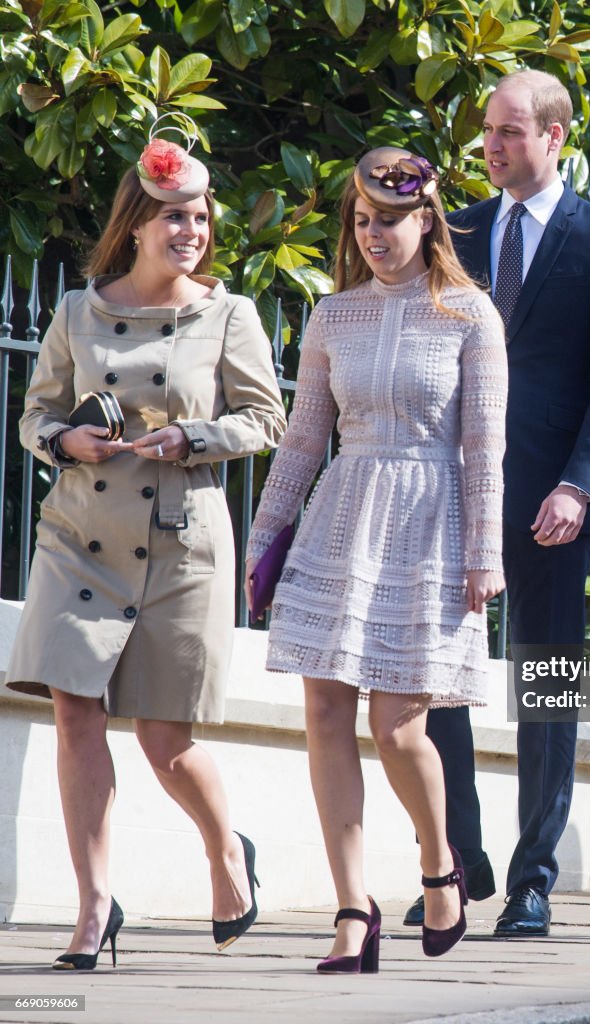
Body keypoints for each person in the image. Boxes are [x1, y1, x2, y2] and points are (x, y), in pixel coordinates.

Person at [5, 122, 287, 969]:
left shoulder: (227, 313)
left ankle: (226, 853)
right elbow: (33, 416)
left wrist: (192, 439)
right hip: (79, 539)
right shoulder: (77, 311)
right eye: (173, 216)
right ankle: (94, 908)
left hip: (180, 542)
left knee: (169, 741)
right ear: (136, 221)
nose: (189, 232)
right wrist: (65, 443)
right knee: (74, 715)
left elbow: (263, 419)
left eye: (199, 218)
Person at [244, 147, 507, 972]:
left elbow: (484, 449)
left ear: (427, 218)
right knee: (324, 713)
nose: (372, 235)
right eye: (361, 222)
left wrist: (485, 553)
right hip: (341, 516)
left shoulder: (471, 315)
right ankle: (351, 910)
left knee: (398, 730)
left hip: (431, 523)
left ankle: (439, 866)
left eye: (387, 220)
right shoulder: (332, 316)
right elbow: (300, 439)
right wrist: (263, 542)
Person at [405, 69, 590, 937]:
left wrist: (578, 485)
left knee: (544, 687)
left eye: (509, 131)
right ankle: (458, 864)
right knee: (439, 683)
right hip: (449, 495)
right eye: (486, 130)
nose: (491, 146)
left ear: (554, 137)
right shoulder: (454, 230)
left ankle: (531, 879)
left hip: (553, 497)